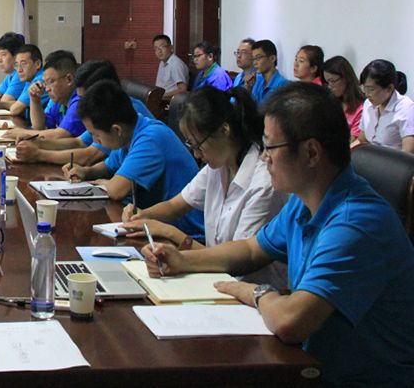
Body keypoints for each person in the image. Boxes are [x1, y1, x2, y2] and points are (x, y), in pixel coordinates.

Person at [140, 83, 414, 385]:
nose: (263, 158)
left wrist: (256, 293)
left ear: (311, 152)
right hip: (307, 364)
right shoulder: (304, 201)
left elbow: (289, 321)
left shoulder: (355, 223)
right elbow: (252, 249)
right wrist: (182, 261)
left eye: (270, 147)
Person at [120, 86, 287, 288]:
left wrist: (171, 233)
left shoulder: (264, 182)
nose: (196, 154)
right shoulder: (217, 166)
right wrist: (142, 216)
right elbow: (174, 206)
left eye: (198, 145)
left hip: (249, 288)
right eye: (191, 145)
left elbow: (239, 260)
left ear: (224, 130)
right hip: (213, 278)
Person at [66, 80, 203, 237]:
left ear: (116, 130)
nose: (95, 141)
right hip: (157, 226)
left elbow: (116, 190)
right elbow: (107, 166)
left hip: (186, 235)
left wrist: (104, 183)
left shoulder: (151, 138)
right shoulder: (128, 134)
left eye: (95, 135)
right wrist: (85, 171)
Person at [13, 60, 154, 167]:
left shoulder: (122, 110)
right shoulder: (104, 107)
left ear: (103, 90)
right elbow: (79, 142)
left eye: (85, 98)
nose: (82, 104)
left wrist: (38, 154)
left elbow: (90, 155)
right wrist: (37, 143)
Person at [4, 50, 79, 139]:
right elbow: (40, 126)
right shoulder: (60, 104)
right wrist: (34, 99)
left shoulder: (79, 101)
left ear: (69, 79)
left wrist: (23, 132)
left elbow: (60, 134)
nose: (47, 89)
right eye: (46, 83)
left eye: (51, 82)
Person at [357, 59, 414, 152]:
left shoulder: (406, 108)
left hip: (393, 160)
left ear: (389, 88)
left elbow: (408, 152)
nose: (366, 94)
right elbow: (361, 140)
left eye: (371, 89)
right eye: (364, 88)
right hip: (369, 158)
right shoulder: (368, 103)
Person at [322, 56, 364, 140]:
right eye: (327, 82)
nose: (330, 86)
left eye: (333, 81)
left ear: (346, 78)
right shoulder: (329, 101)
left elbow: (353, 140)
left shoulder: (361, 108)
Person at [250, 39, 289, 104]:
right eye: (253, 59)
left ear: (272, 58)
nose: (254, 63)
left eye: (258, 58)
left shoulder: (283, 84)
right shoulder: (258, 81)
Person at [153, 34, 189, 99]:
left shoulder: (176, 64)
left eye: (162, 47)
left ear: (171, 47)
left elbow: (183, 89)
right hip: (160, 99)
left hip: (170, 102)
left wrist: (162, 96)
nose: (159, 51)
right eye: (156, 48)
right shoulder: (162, 62)